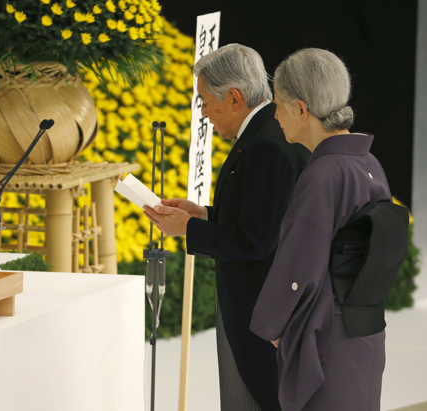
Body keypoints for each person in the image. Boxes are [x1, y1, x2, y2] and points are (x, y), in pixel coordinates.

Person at [143, 44, 310, 411]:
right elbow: (262, 217)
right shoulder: (268, 131)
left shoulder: (266, 143)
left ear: (234, 98)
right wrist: (203, 215)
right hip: (269, 309)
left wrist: (189, 230)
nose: (203, 114)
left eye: (204, 101)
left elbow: (256, 240)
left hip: (262, 313)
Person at [250, 48, 393, 410]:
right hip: (366, 328)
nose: (276, 115)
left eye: (278, 104)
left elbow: (299, 262)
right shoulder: (368, 163)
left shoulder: (323, 174)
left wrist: (275, 325)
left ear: (301, 108)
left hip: (329, 337)